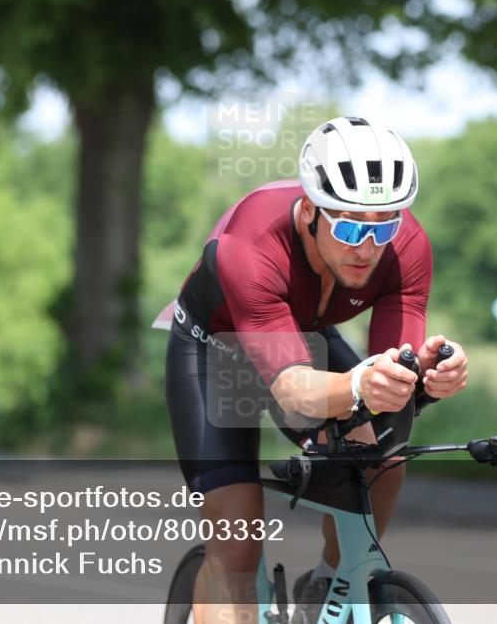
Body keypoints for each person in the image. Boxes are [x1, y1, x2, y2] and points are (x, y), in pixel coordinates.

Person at [162, 117, 469, 624]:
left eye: (384, 226)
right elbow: (294, 392)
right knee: (237, 543)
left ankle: (327, 587)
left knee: (384, 455)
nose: (367, 247)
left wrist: (431, 375)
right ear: (309, 211)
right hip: (215, 351)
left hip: (301, 333)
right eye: (349, 227)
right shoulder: (252, 243)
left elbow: (397, 364)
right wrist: (357, 384)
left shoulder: (407, 246)